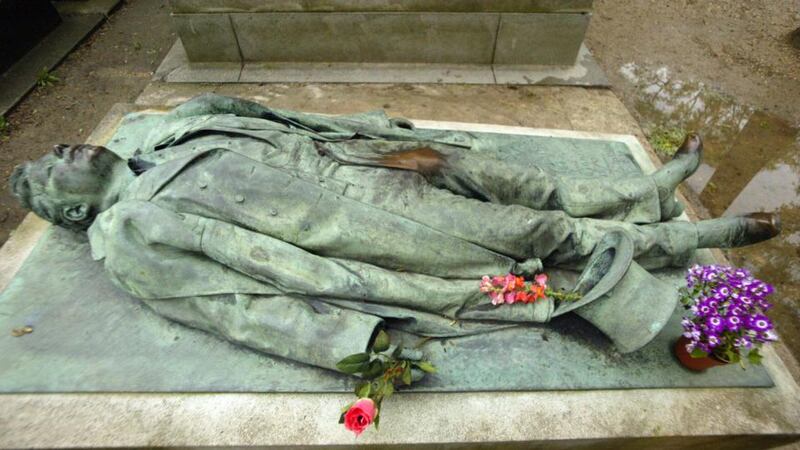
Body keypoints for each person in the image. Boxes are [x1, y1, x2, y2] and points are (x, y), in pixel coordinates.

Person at [8, 94, 780, 372]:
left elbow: (284, 118)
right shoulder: (129, 236)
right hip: (368, 226)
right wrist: (342, 340)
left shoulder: (172, 125)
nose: (59, 153)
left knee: (503, 174)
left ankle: (641, 190)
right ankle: (690, 238)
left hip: (367, 161)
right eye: (49, 173)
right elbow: (224, 304)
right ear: (72, 212)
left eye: (49, 152)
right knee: (531, 230)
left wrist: (366, 127)